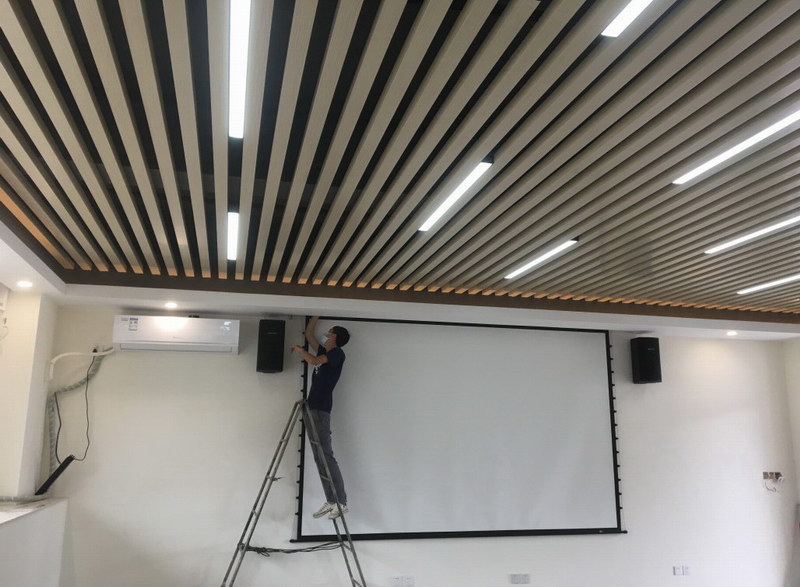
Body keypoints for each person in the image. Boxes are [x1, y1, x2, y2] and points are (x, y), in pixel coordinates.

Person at [290, 316, 351, 520]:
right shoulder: (325, 351)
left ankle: (341, 502)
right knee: (319, 457)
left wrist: (300, 350)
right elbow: (309, 335)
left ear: (335, 337)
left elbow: (314, 361)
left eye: (330, 333)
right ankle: (331, 500)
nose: (326, 335)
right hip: (312, 407)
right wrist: (314, 315)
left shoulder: (337, 354)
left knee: (326, 455)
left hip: (321, 410)